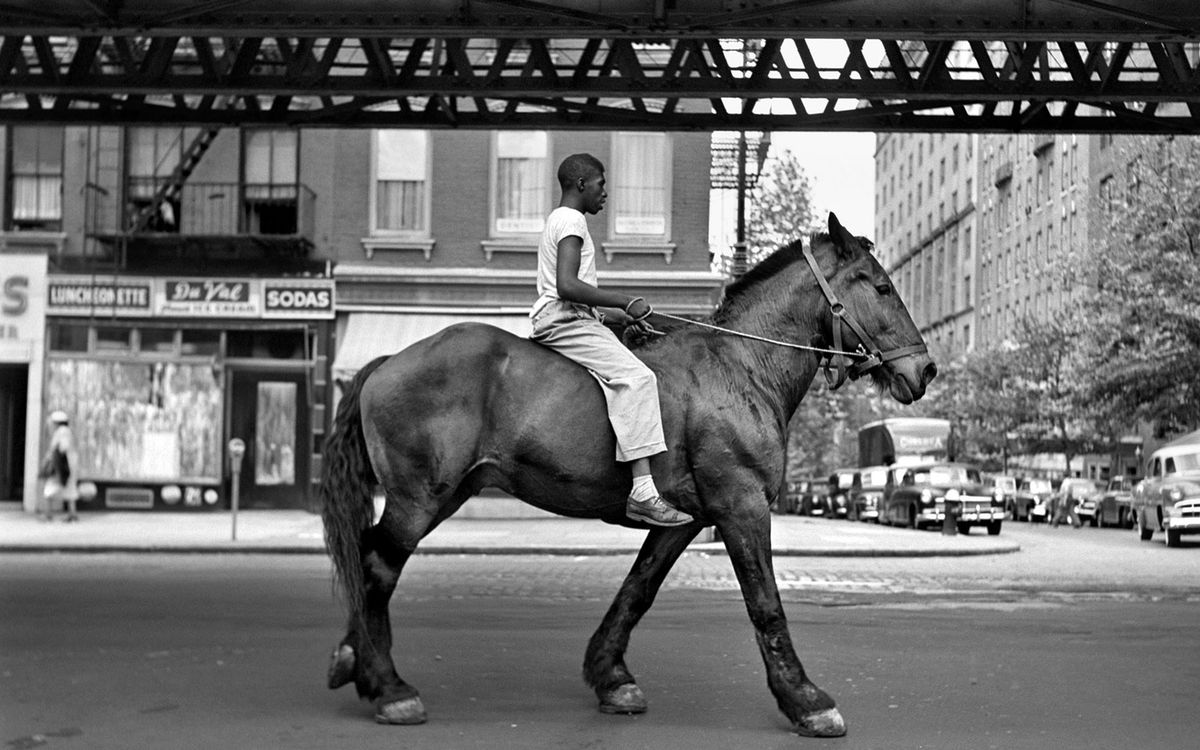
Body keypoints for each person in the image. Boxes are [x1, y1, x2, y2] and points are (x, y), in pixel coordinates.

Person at [529, 153, 693, 527]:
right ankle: (643, 492)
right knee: (638, 379)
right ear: (582, 184)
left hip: (569, 316)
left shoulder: (560, 219)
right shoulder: (571, 220)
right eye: (602, 185)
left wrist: (617, 318)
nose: (606, 193)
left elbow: (573, 295)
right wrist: (625, 300)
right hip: (563, 319)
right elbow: (567, 286)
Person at [39, 409, 80, 522]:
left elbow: (62, 447)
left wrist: (51, 458)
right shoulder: (66, 431)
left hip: (62, 466)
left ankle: (48, 514)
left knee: (49, 488)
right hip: (68, 464)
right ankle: (72, 514)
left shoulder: (62, 431)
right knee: (69, 488)